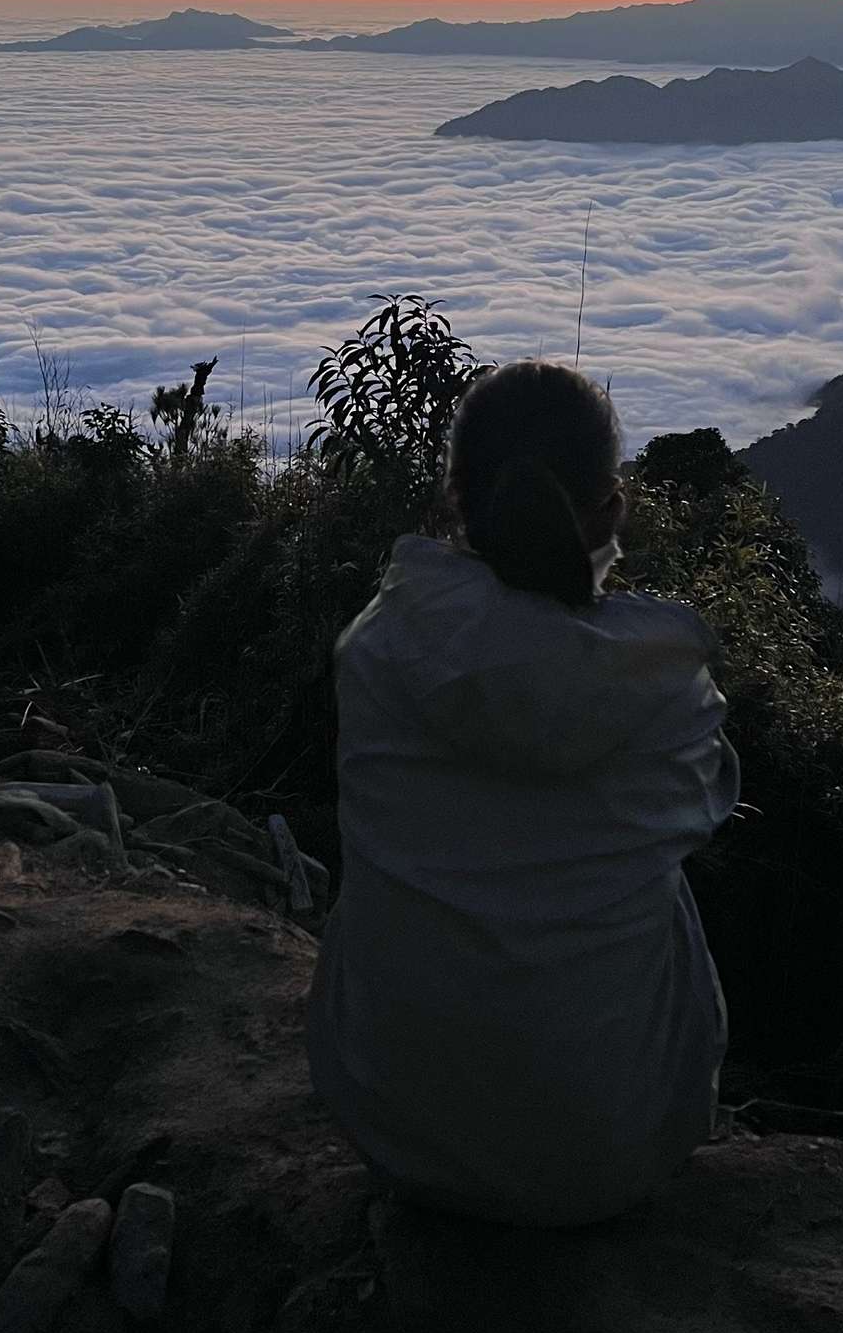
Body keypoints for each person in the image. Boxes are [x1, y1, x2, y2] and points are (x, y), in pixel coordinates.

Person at [306, 359, 738, 1228]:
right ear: (609, 512)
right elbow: (711, 800)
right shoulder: (667, 691)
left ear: (454, 495)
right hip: (604, 1154)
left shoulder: (376, 649)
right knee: (655, 888)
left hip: (395, 1127)